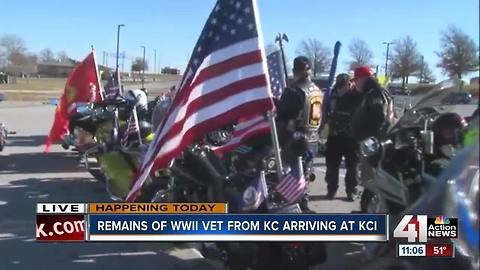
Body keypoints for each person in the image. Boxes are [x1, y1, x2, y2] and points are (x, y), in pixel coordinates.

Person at [350, 66, 394, 212]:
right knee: (369, 177)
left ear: (363, 79)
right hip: (370, 143)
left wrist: (369, 140)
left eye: (356, 80)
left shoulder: (376, 93)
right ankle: (368, 209)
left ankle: (368, 212)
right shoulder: (371, 93)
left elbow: (379, 118)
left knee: (371, 179)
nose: (355, 84)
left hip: (373, 145)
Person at [324, 73, 362, 201]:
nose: (342, 88)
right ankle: (331, 190)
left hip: (352, 138)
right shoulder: (331, 95)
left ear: (349, 84)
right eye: (340, 86)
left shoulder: (357, 97)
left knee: (353, 168)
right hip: (335, 136)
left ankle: (351, 191)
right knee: (332, 167)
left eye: (344, 85)